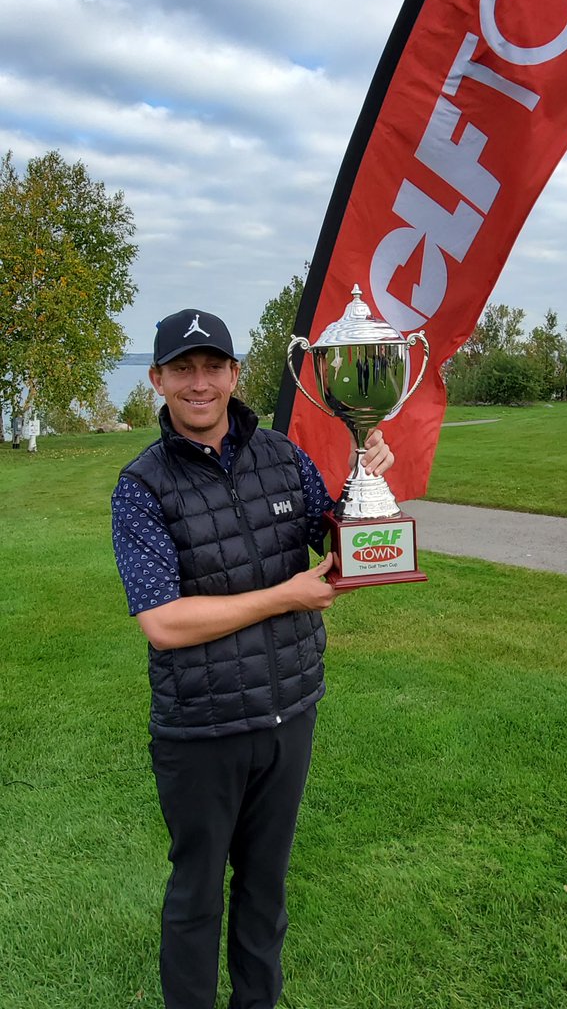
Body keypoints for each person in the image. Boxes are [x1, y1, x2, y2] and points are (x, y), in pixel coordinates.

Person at [111, 308, 394, 1009]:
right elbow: (163, 623)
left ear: (236, 375)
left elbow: (332, 550)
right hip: (200, 728)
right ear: (158, 380)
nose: (199, 383)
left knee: (265, 892)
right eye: (183, 369)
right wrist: (282, 597)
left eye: (213, 366)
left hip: (288, 711)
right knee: (197, 896)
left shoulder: (283, 456)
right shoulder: (140, 486)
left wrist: (366, 488)